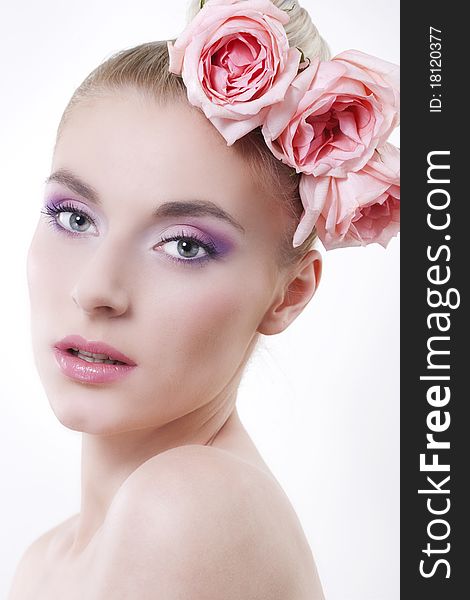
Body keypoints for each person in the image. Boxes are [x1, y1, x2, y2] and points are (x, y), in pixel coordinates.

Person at [8, 0, 399, 598]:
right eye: (73, 216)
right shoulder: (44, 560)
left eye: (185, 246)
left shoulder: (185, 508)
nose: (95, 290)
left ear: (289, 295)